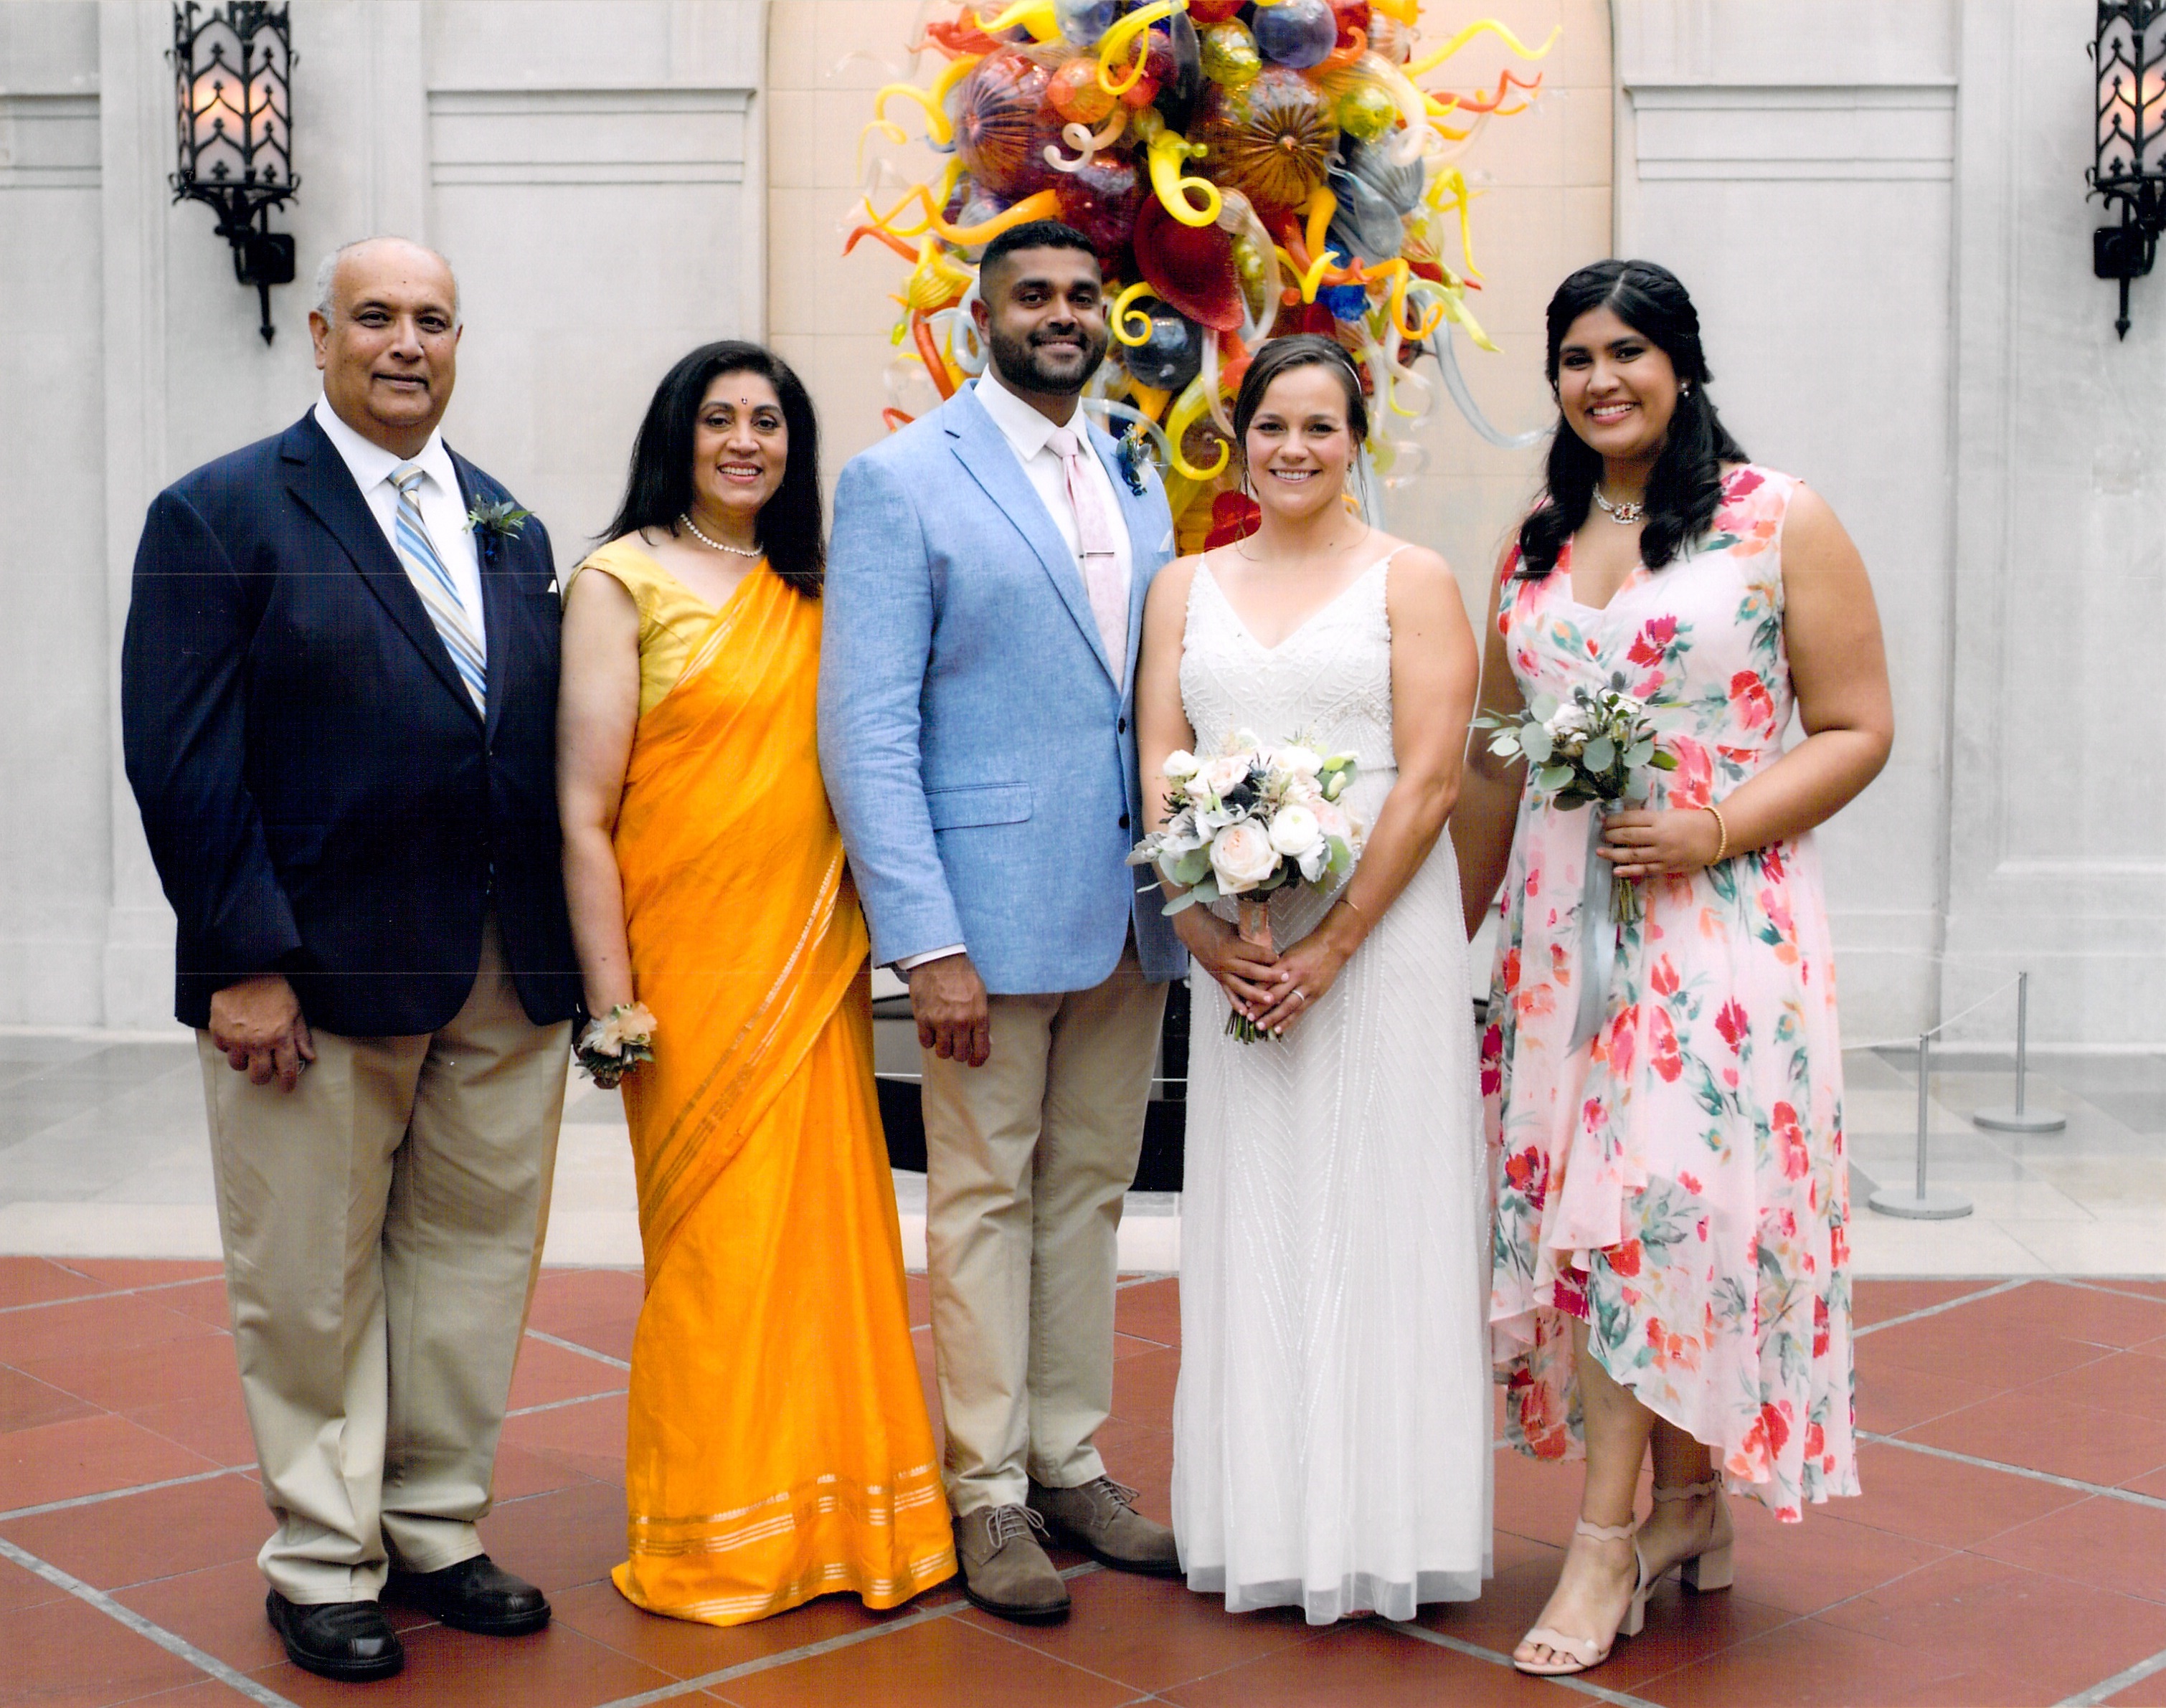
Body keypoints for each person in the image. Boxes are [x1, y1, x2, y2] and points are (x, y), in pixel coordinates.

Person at [120, 237, 580, 1682]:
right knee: (309, 1281)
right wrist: (243, 958)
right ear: (317, 336)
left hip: (502, 968)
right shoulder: (219, 512)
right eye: (374, 317)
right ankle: (323, 1558)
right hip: (309, 976)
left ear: (459, 343)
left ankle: (436, 1528)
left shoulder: (508, 520)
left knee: (471, 1265)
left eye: (433, 321)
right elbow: (182, 764)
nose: (405, 344)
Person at [1453, 260, 1893, 1676]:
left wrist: (1706, 824)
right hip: (1558, 935)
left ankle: (1602, 1543)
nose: (1599, 379)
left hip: (1718, 923)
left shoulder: (1777, 522)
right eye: (1573, 357)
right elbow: (1501, 743)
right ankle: (1687, 1509)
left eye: (1627, 351)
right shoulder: (1535, 536)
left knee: (1663, 1207)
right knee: (1611, 1215)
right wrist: (1442, 928)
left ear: (1682, 364)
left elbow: (1852, 726)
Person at [820, 219, 1186, 1625]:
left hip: (1129, 907)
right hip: (981, 917)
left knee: (1091, 1194)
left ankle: (1069, 1458)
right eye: (1031, 293)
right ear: (981, 315)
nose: (1060, 313)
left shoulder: (1135, 462)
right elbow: (864, 731)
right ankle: (984, 1492)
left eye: (1081, 295)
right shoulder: (902, 480)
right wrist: (925, 940)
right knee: (981, 1199)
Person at [557, 341, 957, 1625]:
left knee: (830, 1243)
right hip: (684, 976)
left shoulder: (822, 588)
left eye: (770, 421)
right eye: (720, 418)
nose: (746, 441)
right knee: (716, 1258)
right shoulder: (620, 581)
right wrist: (611, 1001)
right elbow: (581, 810)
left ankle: (843, 1521)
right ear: (676, 434)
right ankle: (715, 1530)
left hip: (811, 963)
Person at [1133, 334, 1490, 1623]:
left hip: (1379, 948)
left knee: (1382, 1208)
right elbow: (1163, 768)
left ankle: (1387, 1526)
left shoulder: (1415, 578)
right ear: (1239, 436)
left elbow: (1434, 777)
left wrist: (1336, 943)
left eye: (1321, 428)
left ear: (1359, 440)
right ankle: (1263, 1519)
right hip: (1239, 951)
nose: (1294, 449)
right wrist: (1200, 925)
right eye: (1272, 425)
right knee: (1260, 1212)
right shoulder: (1184, 586)